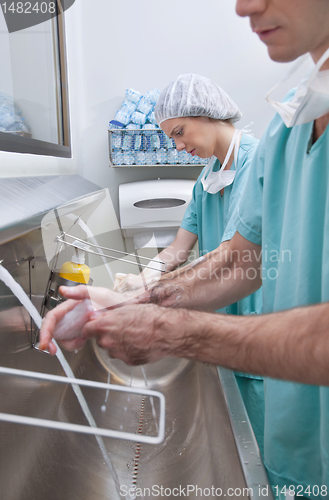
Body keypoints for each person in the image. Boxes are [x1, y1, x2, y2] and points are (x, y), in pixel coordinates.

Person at [40, 0, 329, 497]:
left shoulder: (263, 148)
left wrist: (174, 331)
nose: (244, 6)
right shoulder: (292, 127)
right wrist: (135, 300)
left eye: (179, 133)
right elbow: (240, 260)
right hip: (298, 429)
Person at [114, 73, 264, 454]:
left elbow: (231, 255)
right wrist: (143, 277)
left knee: (264, 450)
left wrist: (151, 296)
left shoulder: (257, 162)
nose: (178, 146)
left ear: (208, 114)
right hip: (220, 322)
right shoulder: (206, 179)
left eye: (180, 132)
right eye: (171, 138)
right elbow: (177, 250)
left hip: (260, 323)